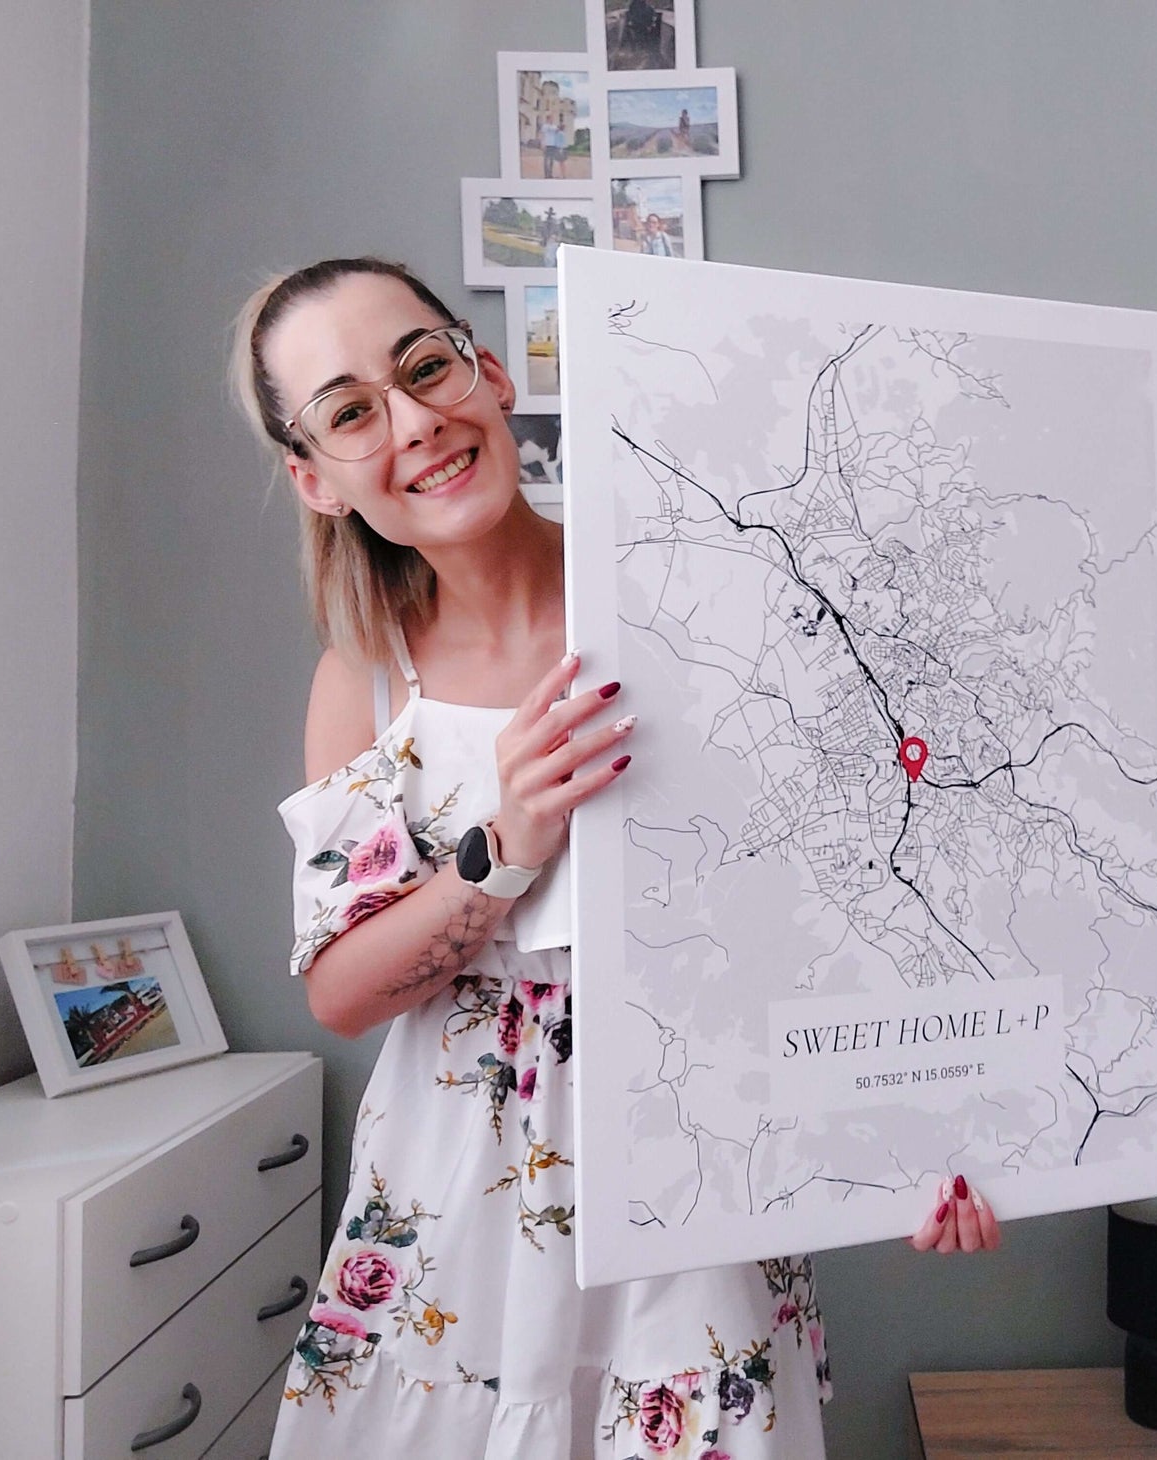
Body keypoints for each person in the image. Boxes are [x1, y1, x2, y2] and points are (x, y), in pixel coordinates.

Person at [231, 257, 1001, 1459]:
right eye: (350, 411)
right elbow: (339, 991)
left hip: (695, 1170)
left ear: (486, 372)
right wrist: (504, 848)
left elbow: (823, 907)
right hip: (456, 1204)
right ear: (314, 477)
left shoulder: (695, 599)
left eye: (424, 366)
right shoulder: (366, 676)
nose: (415, 421)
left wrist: (910, 1144)